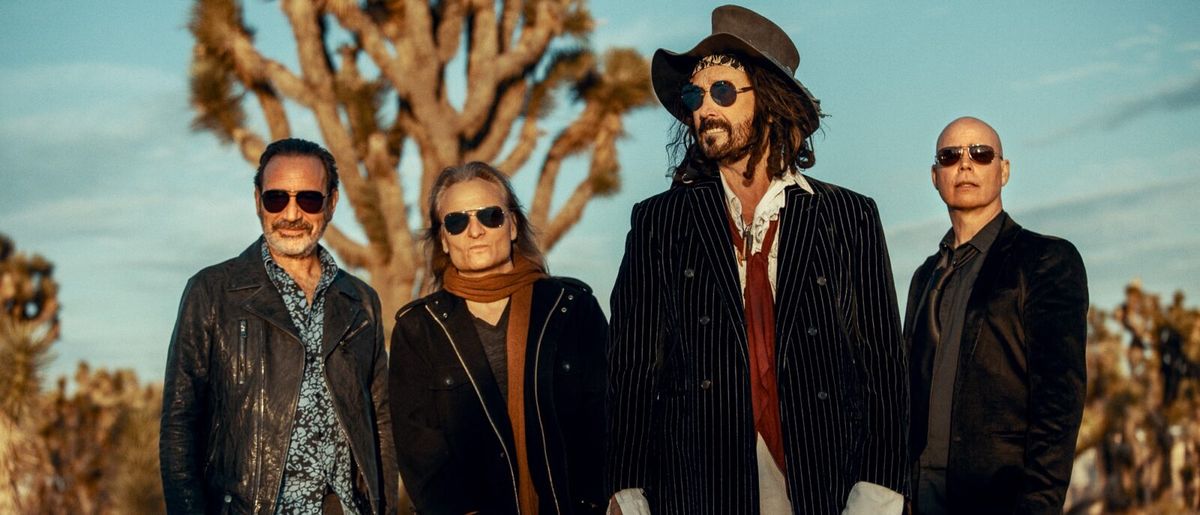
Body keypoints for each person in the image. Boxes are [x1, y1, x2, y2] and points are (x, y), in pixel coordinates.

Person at [606, 5, 908, 514]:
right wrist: (627, 488)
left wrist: (878, 489)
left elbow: (882, 364)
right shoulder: (660, 222)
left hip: (826, 484)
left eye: (723, 91)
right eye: (694, 96)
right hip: (701, 486)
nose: (705, 108)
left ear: (768, 100)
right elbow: (632, 367)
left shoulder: (848, 215)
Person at [159, 138, 398, 514]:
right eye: (276, 198)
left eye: (309, 199)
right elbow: (179, 424)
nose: (291, 213)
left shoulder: (361, 301)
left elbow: (381, 421)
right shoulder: (212, 292)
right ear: (258, 201)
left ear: (332, 203)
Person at [390, 162, 608, 514]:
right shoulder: (419, 329)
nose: (475, 231)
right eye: (457, 222)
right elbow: (420, 452)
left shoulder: (572, 308)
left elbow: (605, 419)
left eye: (490, 215)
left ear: (513, 225)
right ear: (444, 240)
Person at [904, 117, 1088, 514]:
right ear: (935, 177)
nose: (965, 164)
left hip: (1001, 497)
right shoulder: (925, 276)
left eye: (981, 154)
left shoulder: (1044, 260)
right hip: (920, 495)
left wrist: (1039, 505)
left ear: (1003, 171)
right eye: (950, 156)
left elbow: (1059, 399)